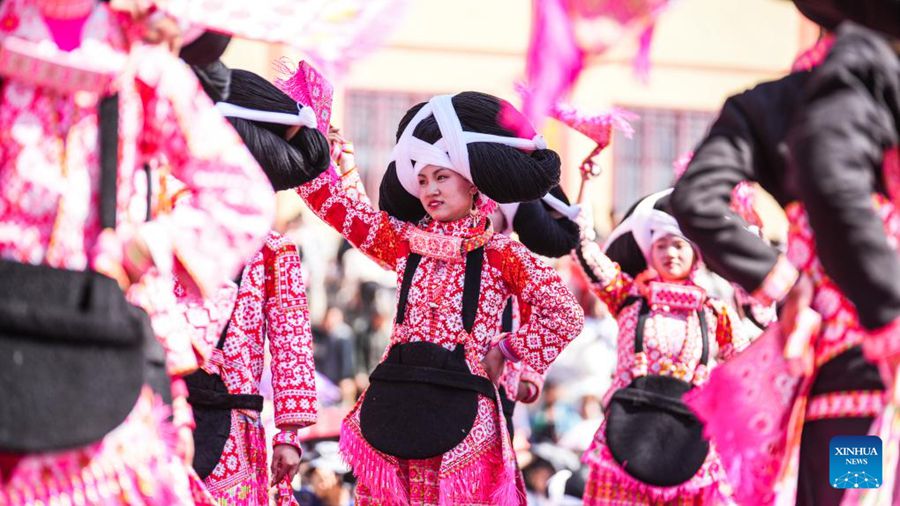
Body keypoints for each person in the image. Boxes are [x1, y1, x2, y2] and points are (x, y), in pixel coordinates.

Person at [0, 0, 274, 503]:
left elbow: (242, 198)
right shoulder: (143, 61)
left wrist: (142, 249)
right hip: (96, 358)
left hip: (93, 357)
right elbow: (242, 198)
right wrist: (139, 252)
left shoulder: (140, 63)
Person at [297, 91, 584, 504]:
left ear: (472, 182)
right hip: (398, 399)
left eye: (442, 177)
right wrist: (314, 145)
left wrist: (507, 348)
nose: (429, 189)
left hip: (465, 413)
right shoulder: (404, 242)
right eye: (423, 178)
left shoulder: (502, 252)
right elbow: (342, 209)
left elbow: (564, 314)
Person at [670, 3, 897, 504]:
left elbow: (695, 201)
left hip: (843, 358)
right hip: (859, 362)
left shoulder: (770, 104)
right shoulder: (882, 89)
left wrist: (785, 280)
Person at [185, 68, 328, 505]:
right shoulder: (169, 229)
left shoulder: (273, 251)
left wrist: (287, 432)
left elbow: (291, 341)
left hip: (235, 422)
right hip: (165, 413)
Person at [574, 190, 744, 504]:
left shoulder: (714, 311)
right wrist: (580, 220)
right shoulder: (628, 297)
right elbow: (590, 260)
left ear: (695, 254)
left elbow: (744, 366)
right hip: (628, 431)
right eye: (661, 245)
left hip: (689, 439)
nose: (670, 254)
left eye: (678, 245)